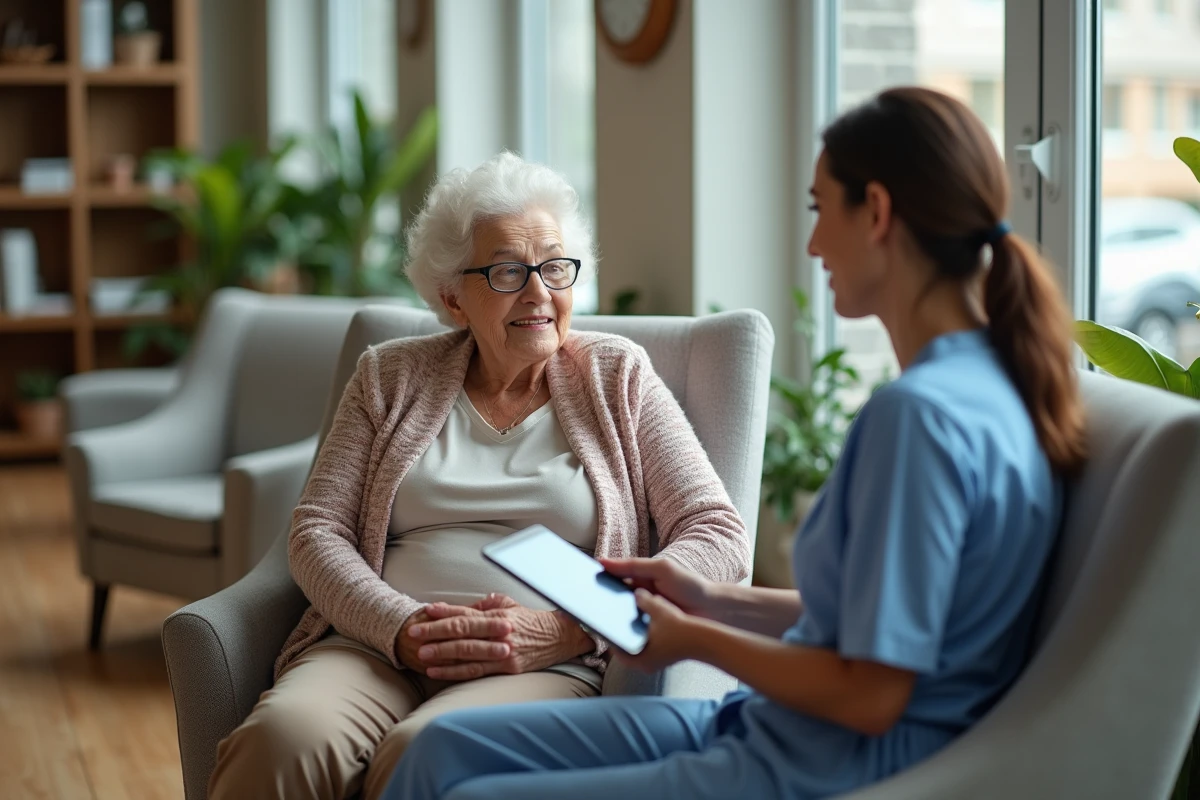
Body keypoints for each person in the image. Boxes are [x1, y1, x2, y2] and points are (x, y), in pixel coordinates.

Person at [384, 86, 1089, 800]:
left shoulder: (920, 419)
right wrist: (710, 599)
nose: (813, 245)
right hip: (771, 728)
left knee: (459, 789)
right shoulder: (993, 385)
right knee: (439, 750)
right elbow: (872, 625)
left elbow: (872, 695)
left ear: (875, 212)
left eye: (819, 209)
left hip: (818, 765)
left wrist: (695, 638)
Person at [206, 152, 751, 800]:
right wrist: (400, 627)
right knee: (280, 740)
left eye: (554, 266)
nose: (539, 293)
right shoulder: (389, 375)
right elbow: (317, 529)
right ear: (452, 297)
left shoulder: (618, 377)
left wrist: (575, 626)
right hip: (376, 647)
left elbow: (717, 535)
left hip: (540, 660)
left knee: (424, 754)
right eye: (507, 271)